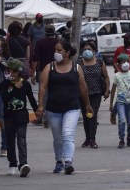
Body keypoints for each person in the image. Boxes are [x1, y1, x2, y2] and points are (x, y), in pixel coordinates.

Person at [36, 39, 93, 175]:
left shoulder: (76, 68)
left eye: (59, 50)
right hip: (53, 109)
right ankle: (58, 161)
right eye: (55, 50)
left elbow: (83, 88)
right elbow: (42, 87)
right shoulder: (48, 68)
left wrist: (87, 105)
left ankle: (68, 161)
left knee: (68, 134)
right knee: (58, 138)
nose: (56, 53)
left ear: (67, 53)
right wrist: (40, 105)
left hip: (72, 108)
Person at [0, 59, 37, 177]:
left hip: (21, 116)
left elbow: (31, 98)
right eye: (8, 71)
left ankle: (23, 164)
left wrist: (37, 110)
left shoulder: (25, 84)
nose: (10, 73)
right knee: (10, 140)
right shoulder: (4, 85)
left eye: (11, 71)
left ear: (17, 72)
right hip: (9, 116)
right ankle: (12, 163)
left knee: (21, 139)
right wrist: (15, 88)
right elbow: (5, 99)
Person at [77, 41, 110, 148]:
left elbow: (106, 76)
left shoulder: (99, 61)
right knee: (86, 116)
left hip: (96, 93)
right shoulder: (78, 62)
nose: (87, 51)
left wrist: (107, 90)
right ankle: (87, 138)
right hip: (82, 94)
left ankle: (92, 139)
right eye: (85, 49)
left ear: (94, 51)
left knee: (93, 115)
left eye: (89, 49)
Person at [111, 32, 130, 125]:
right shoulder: (119, 50)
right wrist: (118, 71)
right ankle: (114, 113)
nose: (125, 40)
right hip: (121, 77)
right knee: (121, 97)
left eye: (127, 39)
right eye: (124, 39)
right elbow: (114, 62)